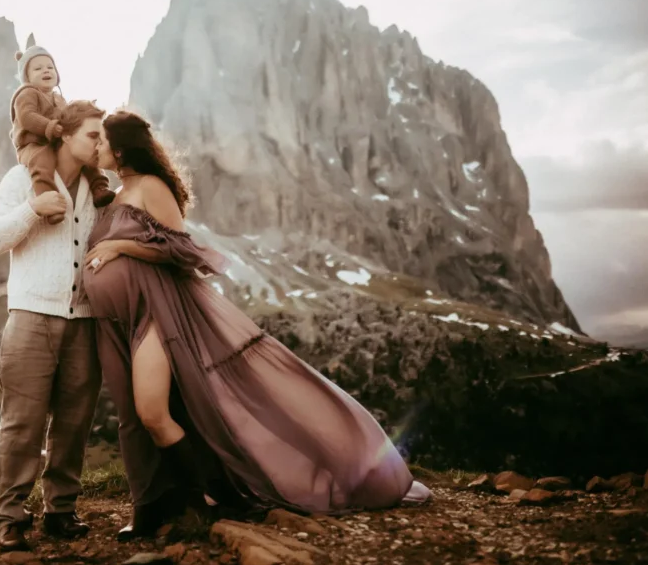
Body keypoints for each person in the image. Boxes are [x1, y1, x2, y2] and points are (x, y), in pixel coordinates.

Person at [82, 110, 432, 540]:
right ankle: (149, 508)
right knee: (133, 420)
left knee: (152, 410)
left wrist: (120, 245)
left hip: (156, 312)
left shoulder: (151, 187)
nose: (94, 147)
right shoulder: (117, 194)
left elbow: (182, 251)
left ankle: (198, 505)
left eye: (99, 141)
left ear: (119, 149)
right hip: (114, 321)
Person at [0, 99, 108, 552]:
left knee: (74, 425)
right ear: (67, 134)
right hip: (31, 318)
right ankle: (10, 518)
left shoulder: (99, 188)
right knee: (21, 424)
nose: (100, 144)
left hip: (86, 323)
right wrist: (34, 209)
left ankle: (60, 512)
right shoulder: (21, 178)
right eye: (93, 136)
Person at [10, 39, 115, 224]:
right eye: (38, 68)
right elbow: (27, 117)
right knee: (42, 161)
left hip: (54, 140)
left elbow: (68, 121)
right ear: (27, 77)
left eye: (50, 67)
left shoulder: (59, 99)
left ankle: (99, 188)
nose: (46, 71)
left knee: (87, 155)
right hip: (32, 144)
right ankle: (50, 203)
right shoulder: (26, 94)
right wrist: (49, 127)